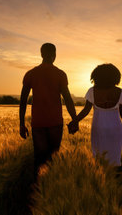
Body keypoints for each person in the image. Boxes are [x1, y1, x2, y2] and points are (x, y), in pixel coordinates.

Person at [19, 43, 78, 175]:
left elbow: (23, 101)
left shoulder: (30, 74)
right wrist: (74, 119)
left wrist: (21, 124)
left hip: (38, 123)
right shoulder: (60, 74)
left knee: (39, 159)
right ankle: (50, 186)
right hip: (55, 122)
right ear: (55, 55)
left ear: (41, 54)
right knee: (54, 157)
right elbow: (68, 99)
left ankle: (38, 187)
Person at [68, 63, 122, 166]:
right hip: (115, 130)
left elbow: (86, 110)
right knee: (114, 160)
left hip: (98, 129)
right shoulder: (120, 92)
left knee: (99, 160)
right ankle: (114, 180)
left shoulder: (92, 91)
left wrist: (74, 121)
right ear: (115, 77)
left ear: (96, 76)